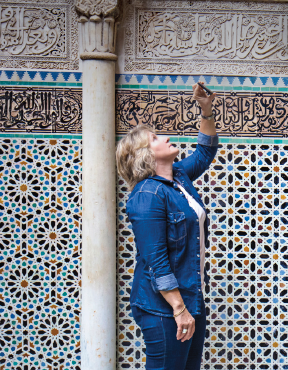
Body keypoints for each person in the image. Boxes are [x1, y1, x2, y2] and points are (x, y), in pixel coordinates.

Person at [115, 84, 218, 370]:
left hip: (189, 299)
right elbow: (155, 260)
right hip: (164, 308)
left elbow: (205, 152)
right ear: (144, 155)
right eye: (157, 138)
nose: (168, 137)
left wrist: (205, 109)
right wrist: (178, 309)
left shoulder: (179, 178)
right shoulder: (148, 194)